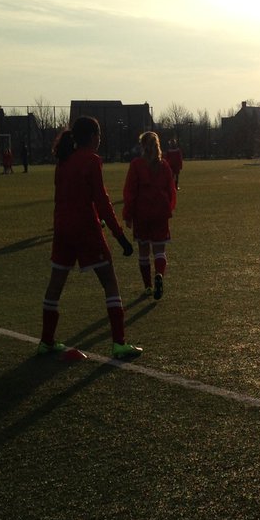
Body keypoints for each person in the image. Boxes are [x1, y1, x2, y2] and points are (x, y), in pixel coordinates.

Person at [38, 116, 142, 359]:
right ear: (94, 137)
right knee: (110, 283)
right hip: (85, 230)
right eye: (99, 135)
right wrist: (120, 237)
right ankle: (119, 343)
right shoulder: (92, 161)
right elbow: (102, 202)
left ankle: (46, 341)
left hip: (62, 229)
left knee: (55, 284)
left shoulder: (63, 160)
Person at [123, 131, 177, 301]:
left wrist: (128, 214)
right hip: (160, 212)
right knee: (159, 250)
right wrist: (169, 207)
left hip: (142, 213)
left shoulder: (136, 165)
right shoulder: (164, 165)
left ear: (142, 146)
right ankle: (159, 274)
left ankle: (148, 286)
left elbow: (130, 191)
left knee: (144, 251)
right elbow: (171, 190)